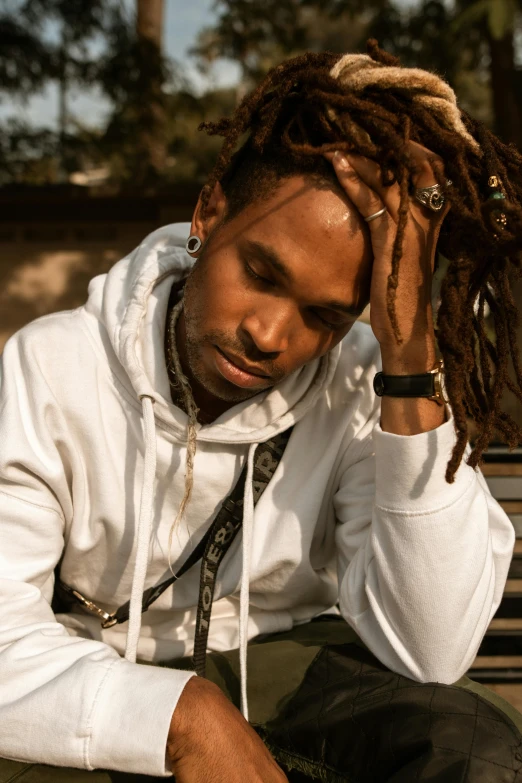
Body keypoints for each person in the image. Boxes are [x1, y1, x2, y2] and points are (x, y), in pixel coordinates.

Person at [1, 41, 522, 783]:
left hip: (285, 668)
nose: (271, 335)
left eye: (323, 315)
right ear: (209, 212)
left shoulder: (361, 380)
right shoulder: (52, 367)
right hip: (87, 668)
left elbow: (429, 650)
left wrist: (408, 353)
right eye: (261, 273)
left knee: (473, 746)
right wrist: (182, 715)